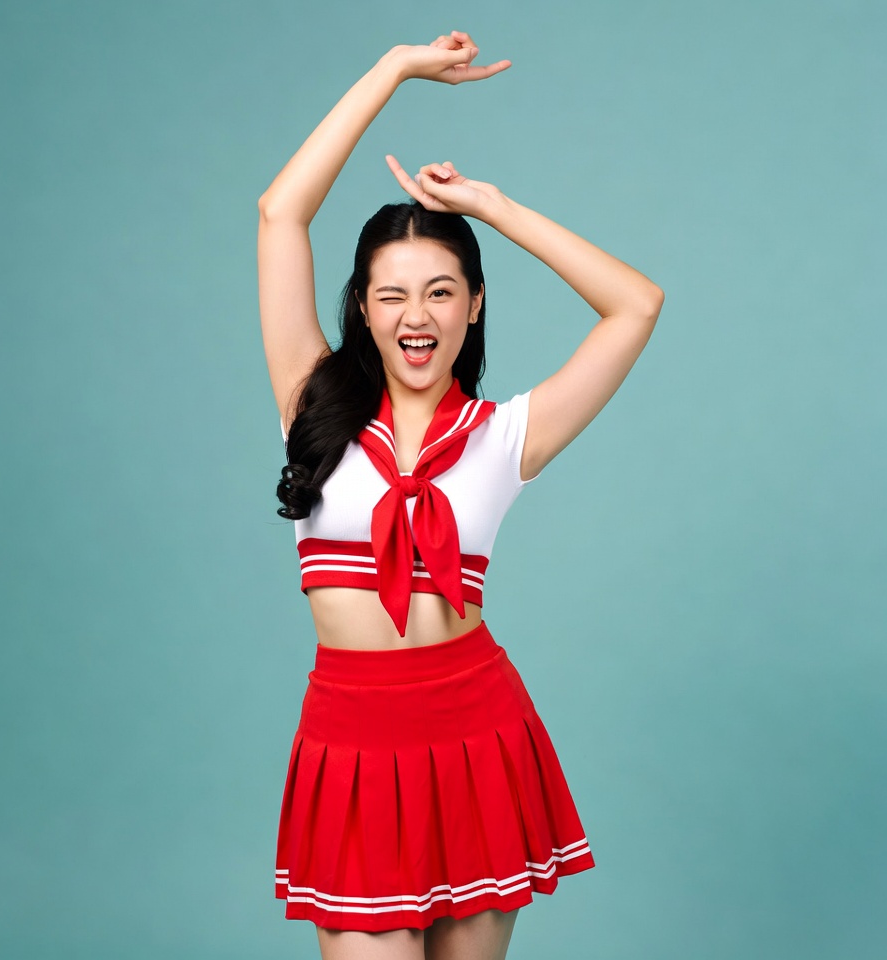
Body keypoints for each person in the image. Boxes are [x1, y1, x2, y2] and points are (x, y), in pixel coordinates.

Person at [258, 30, 663, 960]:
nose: (417, 316)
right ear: (360, 306)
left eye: (442, 292)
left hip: (476, 735)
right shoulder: (306, 404)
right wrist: (394, 70)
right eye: (392, 295)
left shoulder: (503, 436)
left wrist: (491, 205)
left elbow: (635, 304)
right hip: (353, 743)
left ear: (474, 306)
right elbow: (282, 215)